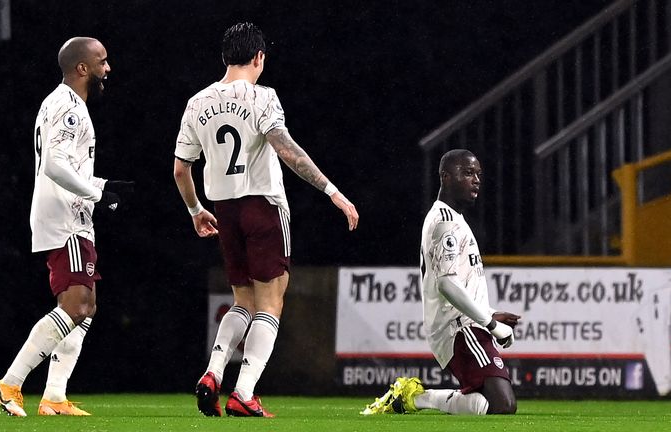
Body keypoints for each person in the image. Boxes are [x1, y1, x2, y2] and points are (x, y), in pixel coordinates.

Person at [173, 22, 359, 418]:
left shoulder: (197, 102)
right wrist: (333, 192)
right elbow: (286, 150)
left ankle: (212, 372)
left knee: (241, 300)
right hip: (263, 207)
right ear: (259, 57)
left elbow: (179, 169)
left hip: (223, 210)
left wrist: (194, 211)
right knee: (270, 304)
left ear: (225, 57)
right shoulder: (263, 97)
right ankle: (244, 391)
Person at [0, 37, 134, 417]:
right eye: (102, 61)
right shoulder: (69, 107)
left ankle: (54, 395)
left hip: (73, 214)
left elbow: (65, 165)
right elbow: (53, 164)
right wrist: (97, 195)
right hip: (66, 217)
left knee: (86, 308)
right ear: (82, 68)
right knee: (76, 304)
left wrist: (102, 186)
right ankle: (9, 383)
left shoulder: (64, 104)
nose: (108, 68)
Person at [361, 149, 520, 416]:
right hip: (459, 328)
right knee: (502, 405)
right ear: (446, 177)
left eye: (478, 174)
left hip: (467, 324)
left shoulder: (455, 219)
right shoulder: (445, 222)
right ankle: (418, 397)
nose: (476, 179)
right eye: (467, 173)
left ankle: (416, 396)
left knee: (492, 404)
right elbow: (447, 284)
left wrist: (491, 313)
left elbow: (459, 281)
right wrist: (490, 323)